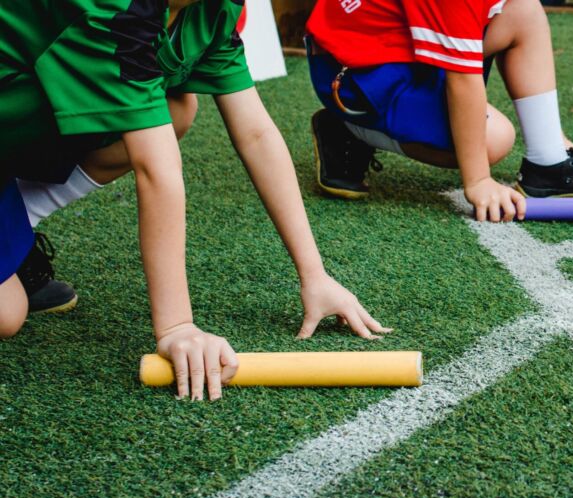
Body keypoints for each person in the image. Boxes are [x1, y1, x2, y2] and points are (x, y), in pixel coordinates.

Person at [2, 0, 387, 401]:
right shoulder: (110, 6)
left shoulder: (214, 8)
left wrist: (314, 274)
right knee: (6, 316)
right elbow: (157, 168)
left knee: (177, 108)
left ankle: (20, 227)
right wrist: (176, 327)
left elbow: (256, 133)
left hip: (17, 126)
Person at [304, 0, 573, 220]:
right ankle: (347, 129)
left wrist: (555, 138)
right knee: (493, 139)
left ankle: (548, 159)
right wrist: (477, 180)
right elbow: (461, 77)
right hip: (354, 73)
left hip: (396, 47)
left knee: (523, 10)